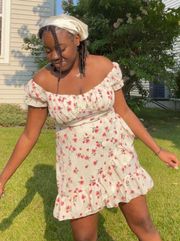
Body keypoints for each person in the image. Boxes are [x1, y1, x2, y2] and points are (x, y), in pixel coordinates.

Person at [0, 14, 179, 241]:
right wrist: (2, 178)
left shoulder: (104, 67)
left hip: (118, 158)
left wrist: (158, 150)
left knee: (144, 225)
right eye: (48, 51)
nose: (54, 56)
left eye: (60, 48)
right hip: (77, 170)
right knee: (85, 238)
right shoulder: (42, 82)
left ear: (76, 40)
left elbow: (123, 112)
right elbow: (28, 135)